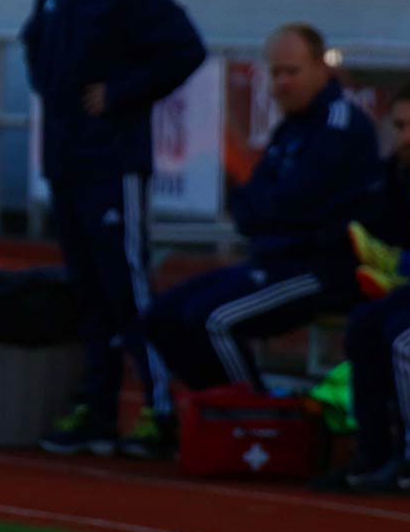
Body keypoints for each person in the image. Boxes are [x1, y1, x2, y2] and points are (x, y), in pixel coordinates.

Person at [21, 0, 206, 460]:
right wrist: (54, 92)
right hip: (66, 157)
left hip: (113, 160)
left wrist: (121, 93)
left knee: (126, 286)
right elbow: (34, 42)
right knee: (88, 292)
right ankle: (98, 409)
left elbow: (186, 48)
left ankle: (161, 410)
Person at [144, 23, 383, 394]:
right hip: (273, 260)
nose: (282, 83)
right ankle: (216, 414)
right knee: (163, 316)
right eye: (275, 72)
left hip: (321, 268)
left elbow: (292, 202)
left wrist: (268, 213)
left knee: (213, 320)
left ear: (322, 68)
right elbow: (250, 204)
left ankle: (254, 419)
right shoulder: (291, 129)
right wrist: (266, 213)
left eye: (292, 71)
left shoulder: (341, 126)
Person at [337, 75, 410, 493]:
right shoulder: (399, 177)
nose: (409, 136)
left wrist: (403, 262)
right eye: (401, 126)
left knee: (403, 337)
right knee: (364, 325)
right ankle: (373, 450)